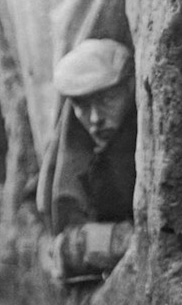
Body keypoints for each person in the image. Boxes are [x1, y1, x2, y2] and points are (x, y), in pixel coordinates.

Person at [41, 38, 137, 281]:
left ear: (131, 87)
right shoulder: (79, 146)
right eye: (81, 105)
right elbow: (57, 238)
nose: (95, 119)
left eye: (107, 100)